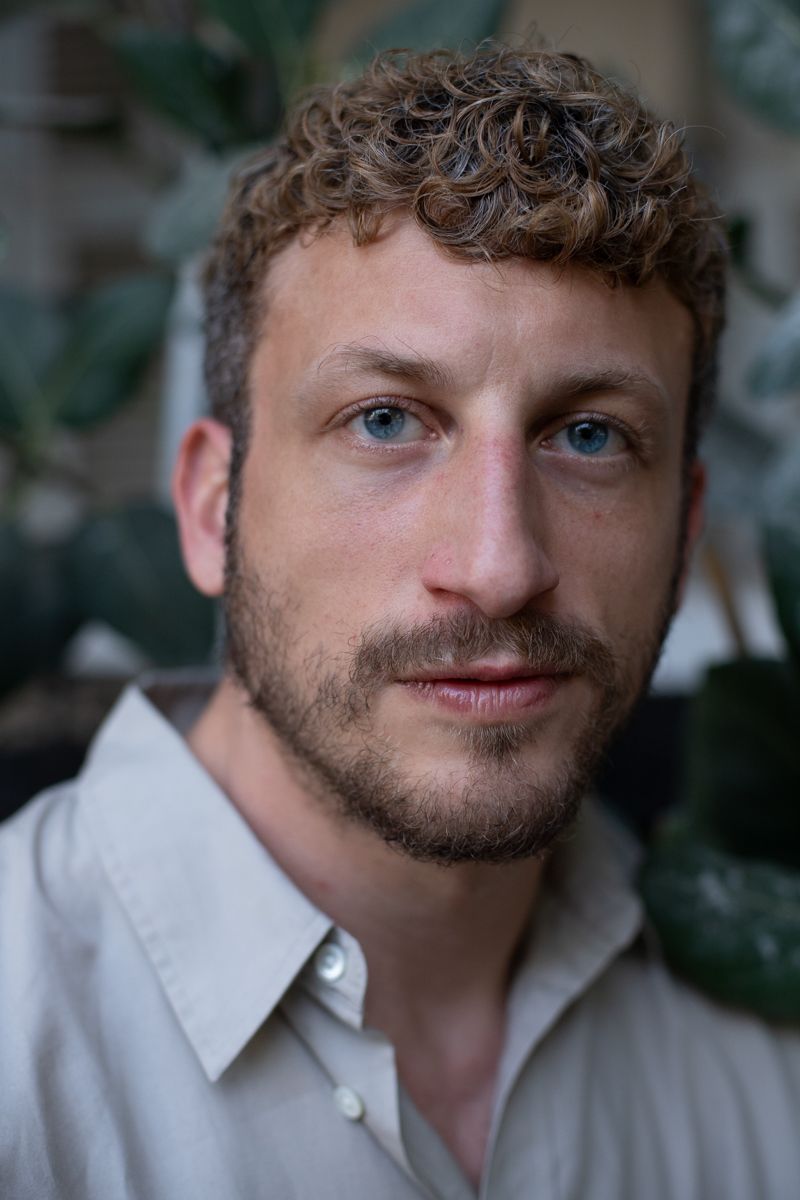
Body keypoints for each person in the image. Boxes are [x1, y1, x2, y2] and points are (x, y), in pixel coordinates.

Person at [2, 42, 798, 1200]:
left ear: (682, 531)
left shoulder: (757, 1058)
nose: (497, 568)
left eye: (586, 436)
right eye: (384, 420)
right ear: (212, 508)